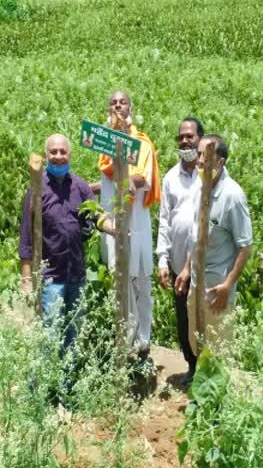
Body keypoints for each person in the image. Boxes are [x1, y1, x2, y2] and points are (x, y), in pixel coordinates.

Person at [19, 133, 113, 352]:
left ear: (69, 154)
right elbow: (26, 237)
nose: (58, 156)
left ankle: (68, 385)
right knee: (50, 335)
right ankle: (44, 385)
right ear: (46, 155)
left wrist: (113, 227)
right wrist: (26, 279)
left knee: (73, 333)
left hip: (76, 275)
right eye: (53, 152)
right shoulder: (37, 189)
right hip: (51, 277)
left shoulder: (79, 186)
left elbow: (96, 215)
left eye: (63, 151)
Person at [91, 91, 161, 361]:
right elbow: (108, 181)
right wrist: (88, 188)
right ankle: (124, 340)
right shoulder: (105, 146)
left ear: (131, 108)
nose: (117, 106)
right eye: (113, 103)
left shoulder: (141, 143)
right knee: (118, 281)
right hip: (112, 223)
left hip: (135, 221)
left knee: (139, 283)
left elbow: (142, 177)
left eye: (122, 102)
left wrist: (130, 184)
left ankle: (143, 343)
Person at [175, 134, 252, 357]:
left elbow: (245, 247)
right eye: (198, 154)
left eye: (205, 155)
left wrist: (228, 285)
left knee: (218, 352)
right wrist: (187, 268)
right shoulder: (201, 186)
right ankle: (199, 389)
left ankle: (217, 392)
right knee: (196, 343)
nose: (199, 160)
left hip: (217, 290)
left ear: (220, 162)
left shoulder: (233, 196)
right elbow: (196, 236)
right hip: (196, 285)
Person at [155, 117, 204, 384]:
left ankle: (208, 370)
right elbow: (165, 219)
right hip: (176, 264)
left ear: (201, 140)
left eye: (190, 136)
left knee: (204, 318)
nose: (185, 140)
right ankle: (192, 366)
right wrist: (163, 259)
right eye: (181, 137)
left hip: (203, 265)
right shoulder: (171, 177)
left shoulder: (209, 176)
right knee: (184, 320)